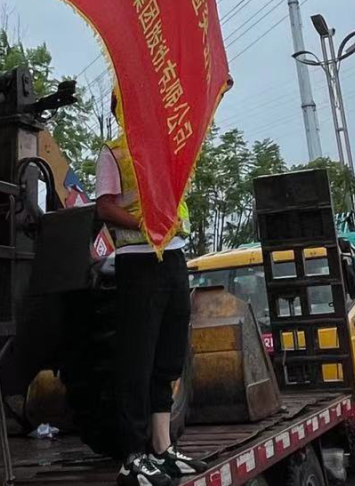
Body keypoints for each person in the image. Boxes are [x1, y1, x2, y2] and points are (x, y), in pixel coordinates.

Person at [96, 92, 200, 486]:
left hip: (173, 256)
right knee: (137, 359)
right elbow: (103, 207)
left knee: (168, 355)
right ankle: (133, 456)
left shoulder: (167, 149)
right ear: (121, 109)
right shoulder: (113, 152)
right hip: (138, 259)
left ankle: (162, 446)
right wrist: (143, 225)